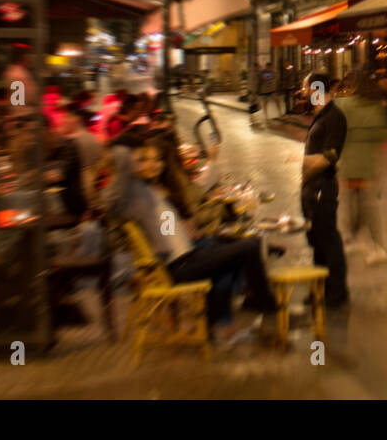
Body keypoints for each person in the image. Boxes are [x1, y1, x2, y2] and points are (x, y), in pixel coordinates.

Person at [108, 132, 277, 343]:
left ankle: (216, 327)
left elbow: (167, 227)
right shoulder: (131, 194)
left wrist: (180, 228)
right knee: (251, 245)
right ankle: (265, 304)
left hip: (187, 256)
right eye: (142, 160)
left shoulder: (151, 191)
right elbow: (116, 192)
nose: (151, 165)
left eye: (154, 159)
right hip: (181, 266)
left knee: (232, 256)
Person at [301, 73, 349, 307]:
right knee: (316, 242)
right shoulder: (321, 115)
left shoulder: (335, 117)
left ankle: (337, 292)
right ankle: (320, 289)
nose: (303, 91)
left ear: (316, 88)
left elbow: (331, 155)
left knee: (328, 239)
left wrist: (305, 165)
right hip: (312, 188)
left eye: (305, 87)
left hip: (323, 187)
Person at [334, 72, 387, 265]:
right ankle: (361, 240)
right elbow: (383, 136)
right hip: (369, 165)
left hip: (349, 164)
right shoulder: (376, 107)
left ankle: (367, 243)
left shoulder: (343, 104)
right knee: (366, 204)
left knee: (355, 204)